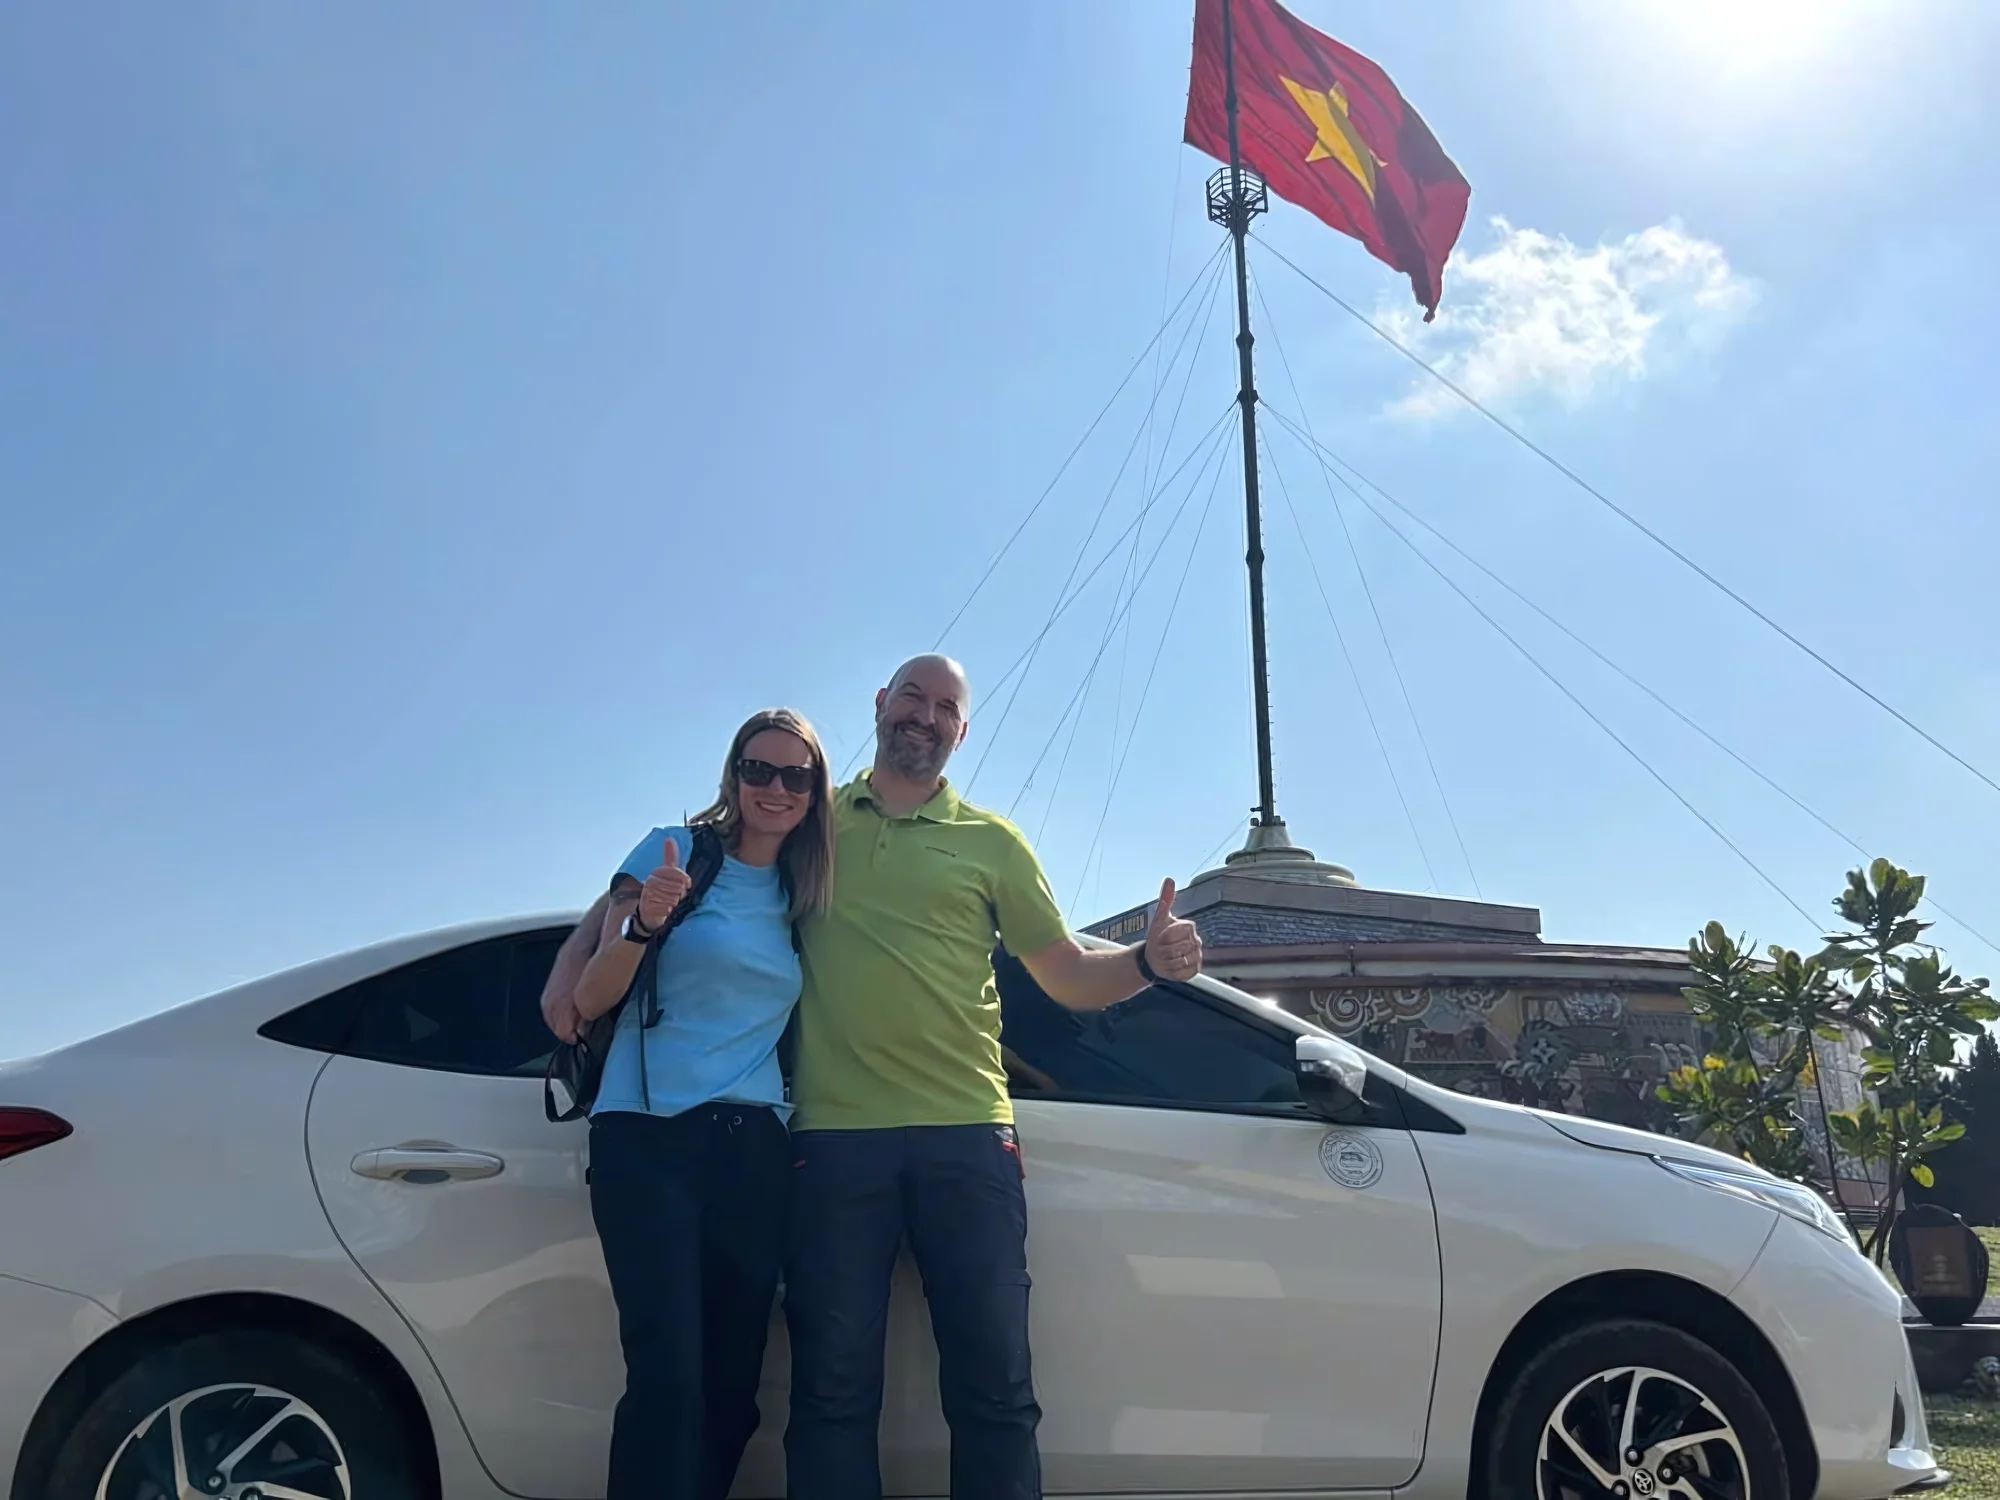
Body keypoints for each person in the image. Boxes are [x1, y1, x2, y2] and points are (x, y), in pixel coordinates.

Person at [784, 654, 1203, 1500]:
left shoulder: (994, 844)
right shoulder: (811, 826)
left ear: (961, 731)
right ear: (880, 704)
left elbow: (1069, 976)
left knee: (996, 1397)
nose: (925, 717)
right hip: (832, 1142)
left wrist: (1148, 964)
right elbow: (709, 896)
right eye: (912, 697)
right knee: (829, 1398)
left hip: (968, 1139)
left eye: (946, 707)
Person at [539, 708, 835, 1500]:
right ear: (733, 776)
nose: (775, 788)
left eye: (794, 776)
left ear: (814, 793)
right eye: (758, 770)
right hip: (650, 1138)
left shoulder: (805, 893)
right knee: (668, 1383)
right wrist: (640, 923)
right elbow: (595, 996)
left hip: (753, 1151)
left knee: (732, 1395)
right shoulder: (675, 854)